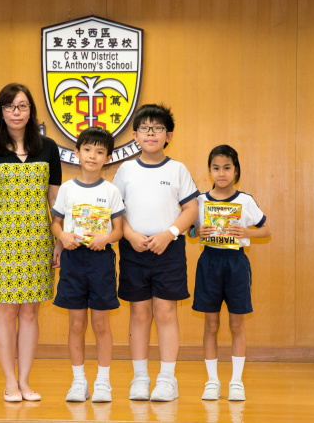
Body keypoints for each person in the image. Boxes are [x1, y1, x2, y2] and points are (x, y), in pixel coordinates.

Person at [0, 83, 63, 402]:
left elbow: (55, 200)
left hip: (39, 242)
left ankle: (25, 382)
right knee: (7, 313)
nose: (16, 112)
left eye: (23, 106)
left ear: (31, 111)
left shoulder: (48, 148)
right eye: (10, 106)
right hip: (2, 244)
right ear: (1, 112)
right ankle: (10, 382)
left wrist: (59, 241)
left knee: (30, 314)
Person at [112, 104, 199, 402]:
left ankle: (167, 379)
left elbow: (191, 209)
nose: (151, 133)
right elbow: (115, 211)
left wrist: (169, 234)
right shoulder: (126, 170)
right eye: (145, 128)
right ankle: (140, 378)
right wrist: (130, 235)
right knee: (139, 313)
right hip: (133, 250)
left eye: (158, 128)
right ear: (135, 135)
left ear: (168, 136)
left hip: (169, 250)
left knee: (165, 311)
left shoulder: (178, 169)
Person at [189, 144, 270, 401]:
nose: (221, 173)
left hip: (236, 263)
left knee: (236, 324)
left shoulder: (245, 200)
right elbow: (189, 230)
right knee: (211, 324)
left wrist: (248, 232)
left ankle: (236, 381)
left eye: (227, 168)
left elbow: (266, 230)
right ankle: (212, 381)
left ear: (236, 171)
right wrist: (196, 232)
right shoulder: (200, 200)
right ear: (209, 171)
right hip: (209, 262)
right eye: (216, 168)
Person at [50, 126, 125, 403]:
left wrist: (106, 238)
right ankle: (78, 381)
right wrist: (63, 236)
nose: (93, 156)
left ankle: (103, 383)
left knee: (101, 324)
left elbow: (118, 230)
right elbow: (55, 224)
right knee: (76, 324)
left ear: (108, 158)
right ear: (77, 152)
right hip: (73, 260)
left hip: (101, 261)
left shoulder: (111, 190)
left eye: (100, 151)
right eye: (87, 149)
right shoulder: (67, 189)